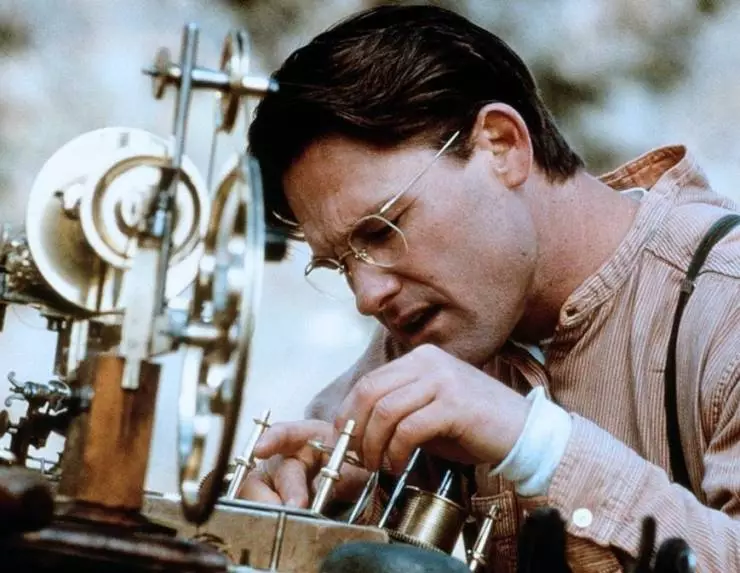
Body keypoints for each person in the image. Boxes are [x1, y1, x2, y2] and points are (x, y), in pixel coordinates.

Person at [243, 4, 740, 572]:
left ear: (502, 146)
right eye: (340, 266)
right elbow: (292, 488)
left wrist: (536, 444)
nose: (367, 295)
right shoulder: (433, 327)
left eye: (382, 230)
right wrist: (307, 506)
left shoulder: (723, 303)